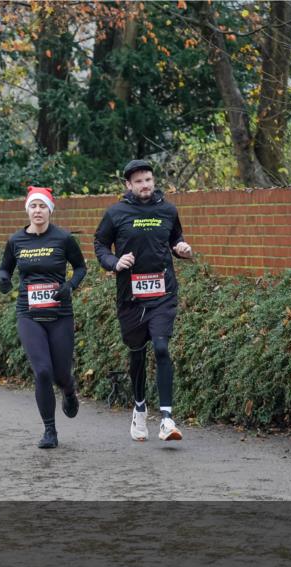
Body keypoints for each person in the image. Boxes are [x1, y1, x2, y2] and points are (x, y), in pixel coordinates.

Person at [94, 159, 194, 442]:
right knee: (137, 352)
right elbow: (100, 244)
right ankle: (139, 407)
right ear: (128, 185)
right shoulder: (116, 214)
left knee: (161, 348)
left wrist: (181, 248)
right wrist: (114, 262)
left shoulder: (167, 210)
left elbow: (175, 239)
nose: (145, 185)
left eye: (148, 179)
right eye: (138, 181)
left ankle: (166, 419)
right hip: (131, 298)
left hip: (163, 293)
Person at [0, 187, 87, 449]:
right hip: (29, 313)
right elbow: (5, 268)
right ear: (27, 210)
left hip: (60, 313)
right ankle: (50, 430)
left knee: (60, 374)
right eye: (33, 206)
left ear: (50, 210)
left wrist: (70, 286)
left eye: (42, 206)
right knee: (43, 372)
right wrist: (3, 279)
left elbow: (81, 267)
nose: (38, 211)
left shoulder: (63, 238)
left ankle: (69, 390)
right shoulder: (16, 241)